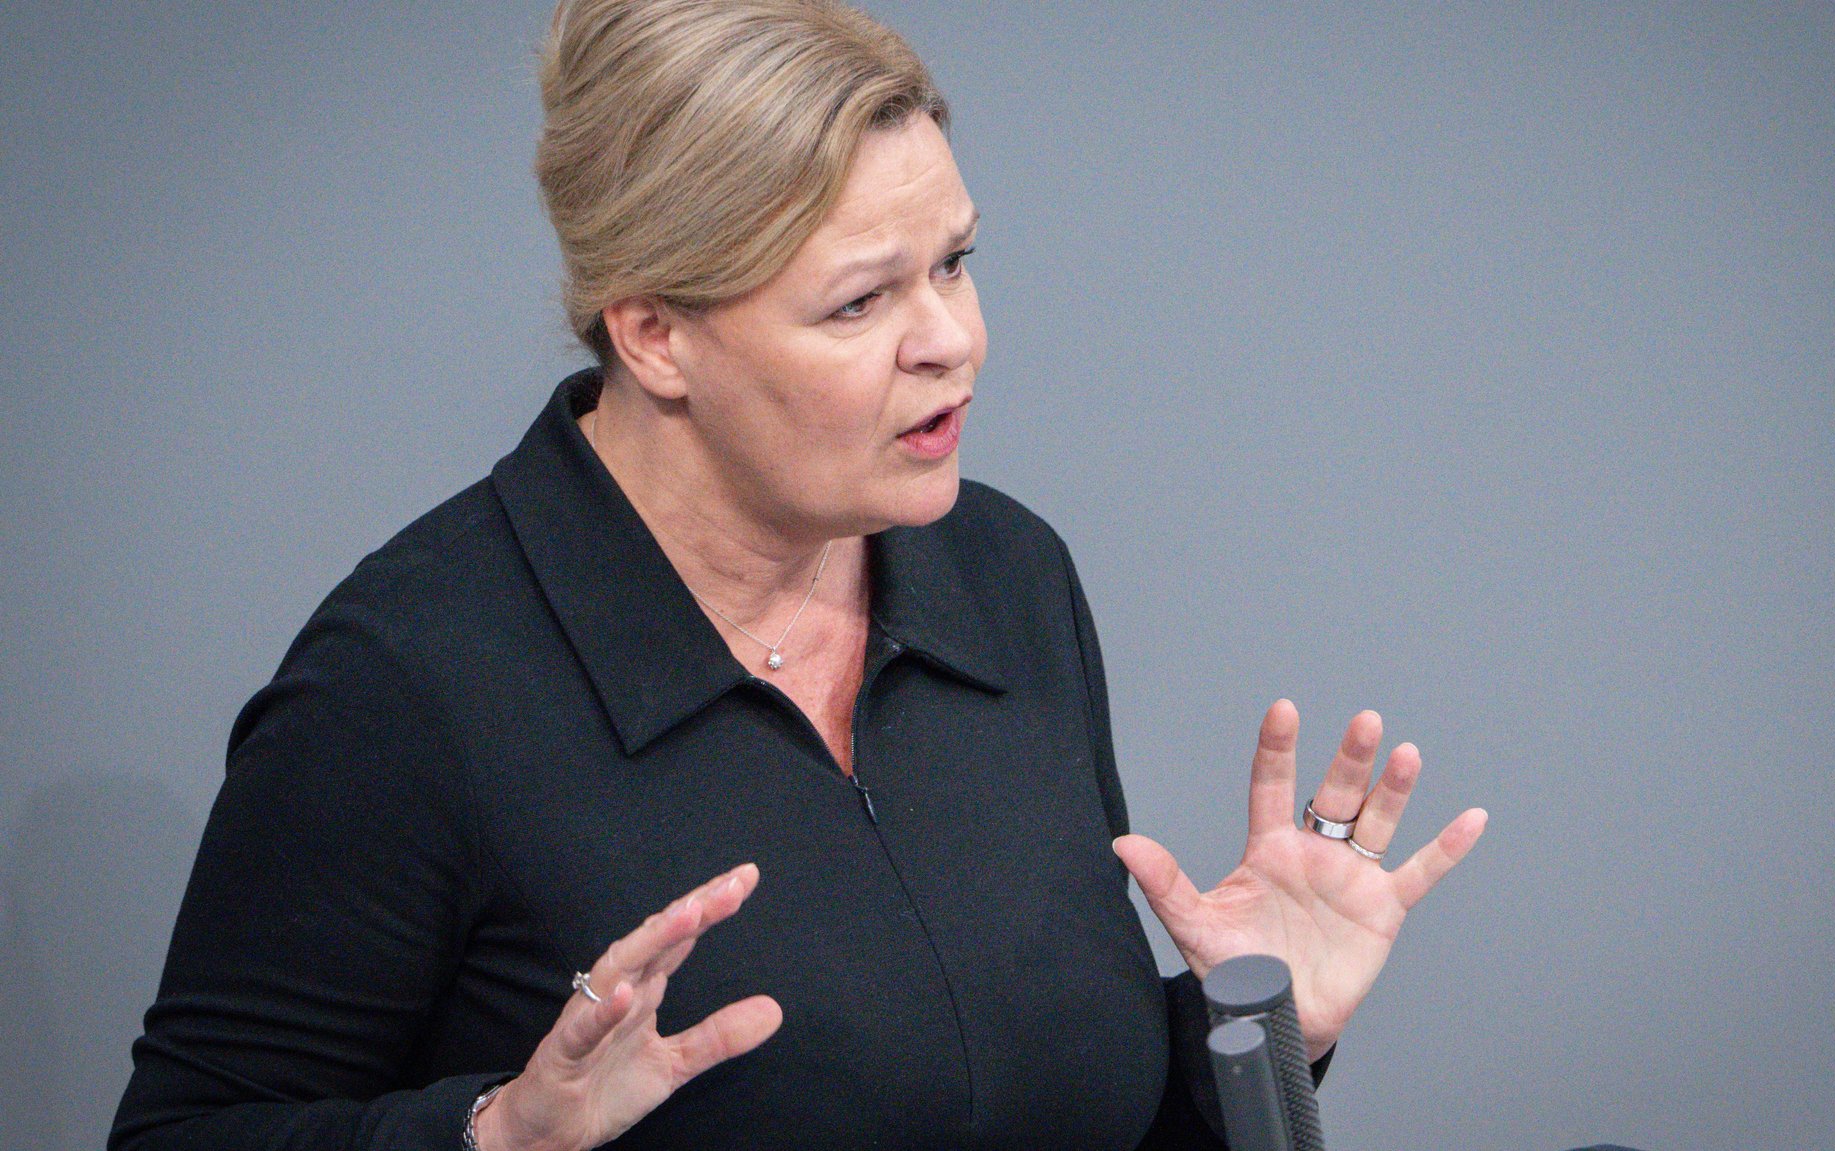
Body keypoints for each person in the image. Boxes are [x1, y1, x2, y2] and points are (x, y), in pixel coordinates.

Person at [110, 2, 1487, 1148]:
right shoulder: (411, 679)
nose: (954, 339)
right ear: (654, 336)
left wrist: (1266, 1033)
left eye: (955, 262)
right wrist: (490, 1137)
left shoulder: (1004, 576)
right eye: (862, 299)